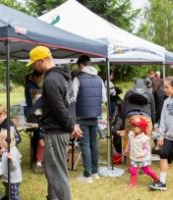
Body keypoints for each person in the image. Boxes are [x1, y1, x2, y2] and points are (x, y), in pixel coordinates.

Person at [27, 45, 82, 200]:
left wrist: (71, 125)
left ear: (42, 60)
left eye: (34, 63)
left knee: (57, 173)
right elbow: (70, 104)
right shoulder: (63, 76)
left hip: (56, 132)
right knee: (53, 171)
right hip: (62, 130)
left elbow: (60, 108)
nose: (33, 67)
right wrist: (72, 124)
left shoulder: (50, 80)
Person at [70, 55, 106, 183]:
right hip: (95, 116)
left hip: (81, 116)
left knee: (85, 145)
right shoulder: (99, 79)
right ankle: (95, 173)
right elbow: (104, 99)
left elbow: (72, 98)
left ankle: (87, 175)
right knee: (94, 144)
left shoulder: (77, 78)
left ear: (80, 65)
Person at [124, 116, 160, 188]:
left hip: (143, 158)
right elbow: (129, 142)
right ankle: (132, 184)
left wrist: (142, 154)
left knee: (147, 170)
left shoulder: (144, 139)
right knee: (133, 170)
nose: (134, 128)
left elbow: (147, 149)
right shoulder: (131, 134)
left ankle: (157, 179)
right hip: (134, 156)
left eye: (136, 126)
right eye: (133, 126)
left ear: (142, 128)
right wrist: (127, 149)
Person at [23, 71, 44, 173]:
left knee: (37, 138)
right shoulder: (31, 86)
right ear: (36, 77)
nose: (41, 79)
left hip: (33, 113)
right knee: (38, 138)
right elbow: (37, 101)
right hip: (34, 115)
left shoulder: (32, 85)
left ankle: (37, 159)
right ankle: (37, 160)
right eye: (40, 77)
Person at [0, 130, 22, 200]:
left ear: (4, 142)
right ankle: (8, 197)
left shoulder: (12, 152)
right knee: (9, 191)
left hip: (13, 179)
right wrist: (0, 154)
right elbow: (20, 157)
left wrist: (11, 160)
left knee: (14, 195)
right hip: (8, 178)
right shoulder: (8, 149)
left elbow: (14, 166)